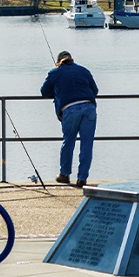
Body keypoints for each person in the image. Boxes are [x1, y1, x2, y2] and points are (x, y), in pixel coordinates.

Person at [40, 51, 98, 188]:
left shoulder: (54, 73)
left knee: (68, 142)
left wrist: (58, 91)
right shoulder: (84, 70)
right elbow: (94, 90)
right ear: (71, 60)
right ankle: (82, 178)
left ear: (59, 61)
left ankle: (64, 175)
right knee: (87, 144)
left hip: (70, 109)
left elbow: (44, 92)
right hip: (89, 108)